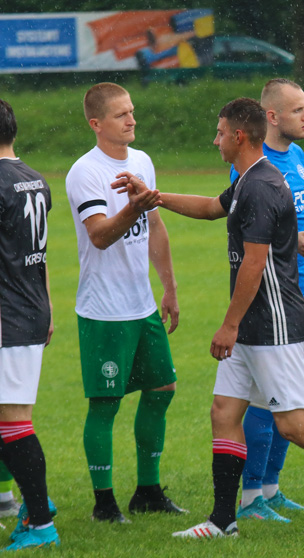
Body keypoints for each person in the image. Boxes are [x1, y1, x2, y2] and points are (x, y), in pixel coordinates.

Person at [113, 97, 304, 538]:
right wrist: (153, 198)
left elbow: (254, 263)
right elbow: (212, 207)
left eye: (219, 132)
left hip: (272, 322)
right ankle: (223, 520)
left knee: (294, 424)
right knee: (224, 412)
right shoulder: (248, 180)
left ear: (239, 136)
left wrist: (228, 325)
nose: (214, 140)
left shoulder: (262, 186)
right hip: (253, 322)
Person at [65, 83, 185, 523]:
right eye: (120, 115)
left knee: (162, 390)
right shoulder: (85, 172)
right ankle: (104, 503)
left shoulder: (142, 162)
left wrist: (168, 287)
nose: (131, 119)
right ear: (96, 124)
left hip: (142, 306)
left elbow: (155, 226)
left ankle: (148, 491)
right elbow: (99, 236)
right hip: (104, 312)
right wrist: (135, 206)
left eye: (132, 111)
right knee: (106, 404)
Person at [232, 79, 304, 523]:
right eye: (298, 109)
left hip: (299, 296)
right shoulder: (251, 167)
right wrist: (287, 241)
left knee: (294, 398)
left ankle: (272, 489)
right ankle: (250, 496)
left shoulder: (297, 157)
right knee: (266, 402)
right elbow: (250, 234)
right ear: (272, 117)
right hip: (269, 299)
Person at [0, 98, 59, 550]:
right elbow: (34, 255)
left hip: (8, 315)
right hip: (29, 307)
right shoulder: (34, 178)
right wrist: (49, 307)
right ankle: (34, 499)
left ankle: (38, 520)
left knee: (14, 420)